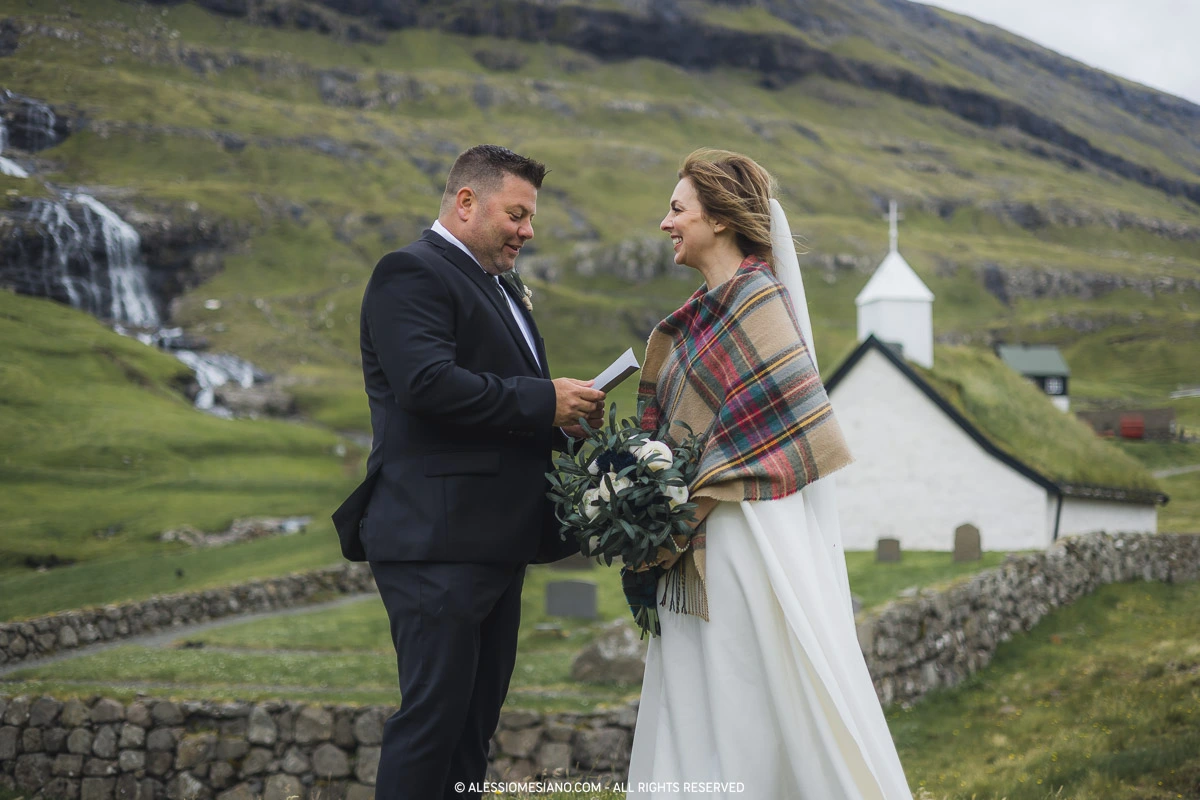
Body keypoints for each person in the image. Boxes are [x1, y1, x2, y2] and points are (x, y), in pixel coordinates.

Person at [625, 149, 913, 799]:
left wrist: (684, 493)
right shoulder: (699, 314)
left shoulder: (757, 302)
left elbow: (778, 433)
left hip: (747, 544)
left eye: (677, 209)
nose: (664, 223)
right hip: (698, 547)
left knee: (748, 699)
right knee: (698, 699)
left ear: (720, 219)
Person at [331, 144, 605, 800]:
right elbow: (426, 385)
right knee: (431, 726)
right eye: (516, 213)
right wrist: (545, 399)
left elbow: (492, 394)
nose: (528, 231)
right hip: (436, 542)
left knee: (471, 730)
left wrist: (558, 420)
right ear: (465, 203)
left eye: (530, 217)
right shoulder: (410, 272)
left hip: (492, 542)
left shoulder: (500, 287)